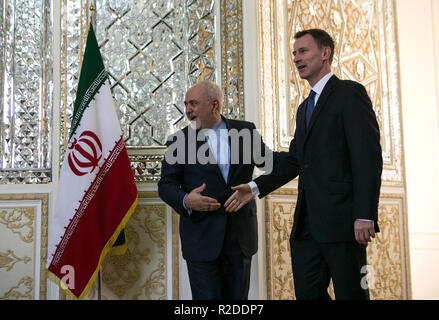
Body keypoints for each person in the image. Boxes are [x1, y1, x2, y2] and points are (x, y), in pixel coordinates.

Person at [225, 29, 383, 300]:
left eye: (303, 51)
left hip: (343, 223)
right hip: (307, 227)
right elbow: (297, 161)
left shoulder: (349, 94)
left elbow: (367, 157)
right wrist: (253, 188)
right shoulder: (303, 108)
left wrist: (365, 214)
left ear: (325, 53)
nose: (297, 58)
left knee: (353, 296)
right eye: (294, 53)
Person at [158, 80, 272, 300]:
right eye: (186, 105)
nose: (188, 110)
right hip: (201, 239)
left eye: (193, 103)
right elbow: (165, 185)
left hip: (240, 240)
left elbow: (270, 165)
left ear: (214, 105)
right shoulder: (178, 141)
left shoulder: (245, 131)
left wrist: (255, 187)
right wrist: (185, 200)